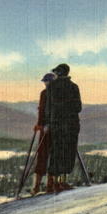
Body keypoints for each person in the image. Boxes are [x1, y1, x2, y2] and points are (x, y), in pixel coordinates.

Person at [45, 63, 82, 193]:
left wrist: (49, 122)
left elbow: (48, 108)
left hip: (56, 125)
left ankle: (55, 182)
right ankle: (63, 182)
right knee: (68, 152)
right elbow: (78, 107)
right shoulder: (73, 87)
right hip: (71, 125)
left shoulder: (51, 87)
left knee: (56, 151)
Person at [31, 72, 56, 195]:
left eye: (47, 82)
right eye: (45, 82)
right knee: (42, 156)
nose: (46, 84)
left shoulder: (58, 95)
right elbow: (41, 111)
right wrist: (39, 125)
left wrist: (49, 125)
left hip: (55, 130)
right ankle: (36, 186)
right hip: (44, 129)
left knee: (53, 156)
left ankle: (50, 185)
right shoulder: (44, 94)